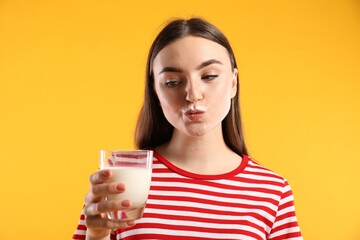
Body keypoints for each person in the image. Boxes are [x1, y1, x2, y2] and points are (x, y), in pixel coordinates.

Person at [73, 17, 303, 240]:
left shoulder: (272, 190)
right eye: (172, 82)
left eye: (209, 76)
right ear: (155, 91)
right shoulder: (121, 176)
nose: (193, 95)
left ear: (233, 83)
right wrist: (96, 236)